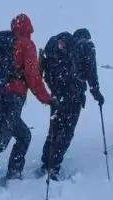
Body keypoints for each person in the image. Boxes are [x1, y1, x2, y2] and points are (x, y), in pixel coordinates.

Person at [0, 14, 56, 192]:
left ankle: (12, 173)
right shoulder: (26, 45)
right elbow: (33, 77)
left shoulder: (1, 41)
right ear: (28, 29)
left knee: (22, 136)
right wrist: (47, 99)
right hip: (13, 99)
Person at [39, 28, 104, 180]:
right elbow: (91, 72)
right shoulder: (86, 46)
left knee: (54, 129)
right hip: (73, 94)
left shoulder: (57, 43)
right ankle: (53, 167)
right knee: (67, 131)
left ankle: (46, 163)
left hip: (56, 94)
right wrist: (96, 93)